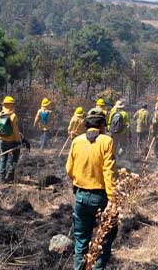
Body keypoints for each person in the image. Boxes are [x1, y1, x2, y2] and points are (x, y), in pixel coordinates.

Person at [66, 109, 118, 270]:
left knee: (81, 239)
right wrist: (113, 200)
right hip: (101, 197)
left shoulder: (77, 141)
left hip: (81, 196)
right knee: (105, 238)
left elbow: (69, 168)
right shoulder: (106, 141)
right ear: (102, 125)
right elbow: (109, 171)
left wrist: (78, 183)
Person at [0, 96, 29, 182]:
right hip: (12, 141)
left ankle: (1, 177)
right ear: (12, 105)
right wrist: (19, 141)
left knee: (3, 157)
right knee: (15, 156)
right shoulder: (13, 116)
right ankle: (10, 174)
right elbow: (15, 131)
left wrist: (1, 137)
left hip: (2, 140)